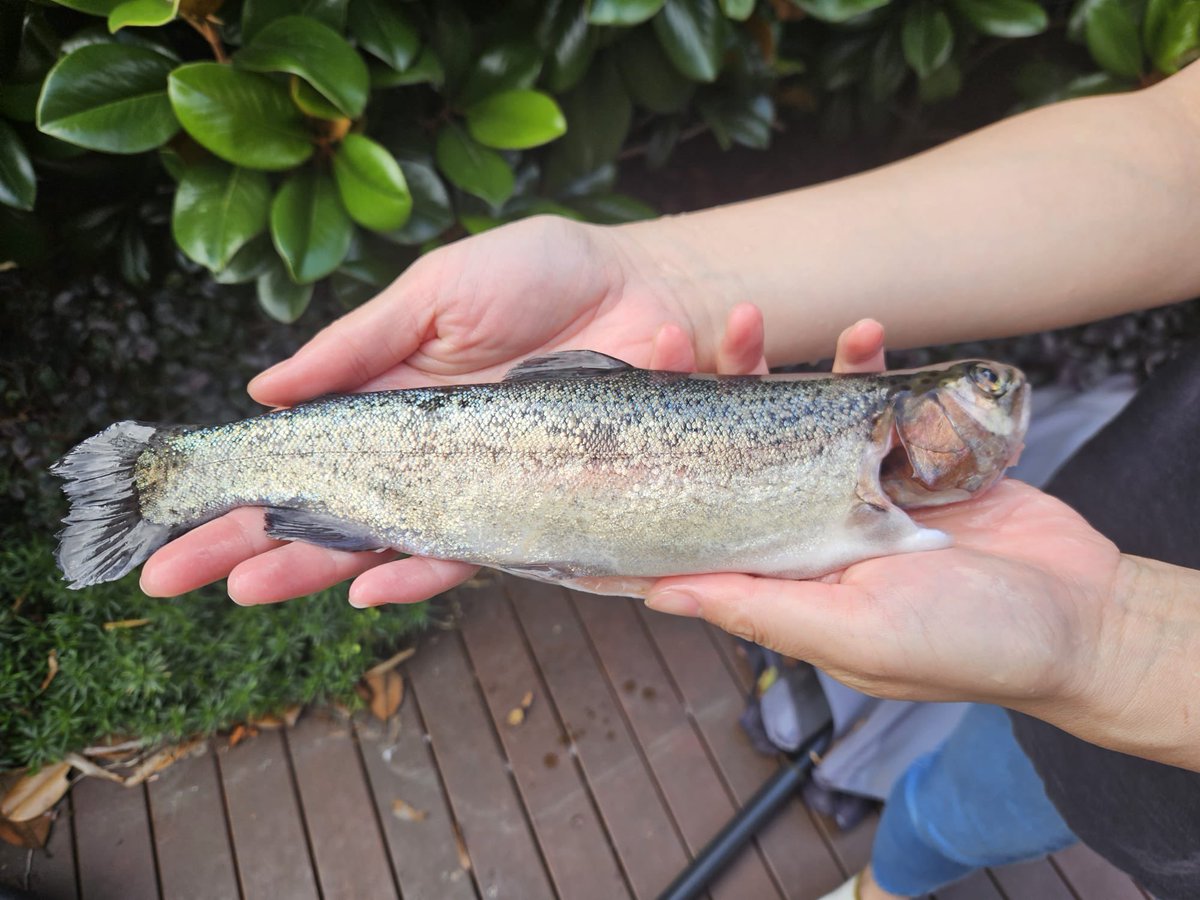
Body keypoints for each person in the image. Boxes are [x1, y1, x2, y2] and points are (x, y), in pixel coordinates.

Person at [141, 60, 1200, 898]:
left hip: (1133, 719)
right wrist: (664, 280)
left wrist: (1115, 651)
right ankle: (894, 879)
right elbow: (1173, 154)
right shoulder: (898, 472)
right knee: (981, 797)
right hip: (1088, 632)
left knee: (1028, 800)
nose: (996, 398)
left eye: (989, 395)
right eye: (978, 391)